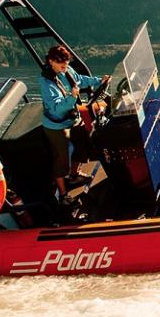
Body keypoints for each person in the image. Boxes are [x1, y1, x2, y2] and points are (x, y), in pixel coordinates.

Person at [40, 44, 107, 200]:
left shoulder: (66, 70)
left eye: (66, 62)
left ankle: (74, 175)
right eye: (60, 62)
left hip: (73, 119)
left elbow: (80, 80)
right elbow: (57, 109)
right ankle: (63, 195)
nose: (64, 65)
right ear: (51, 61)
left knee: (83, 145)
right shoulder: (46, 82)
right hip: (57, 125)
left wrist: (98, 81)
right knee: (63, 157)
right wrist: (72, 97)